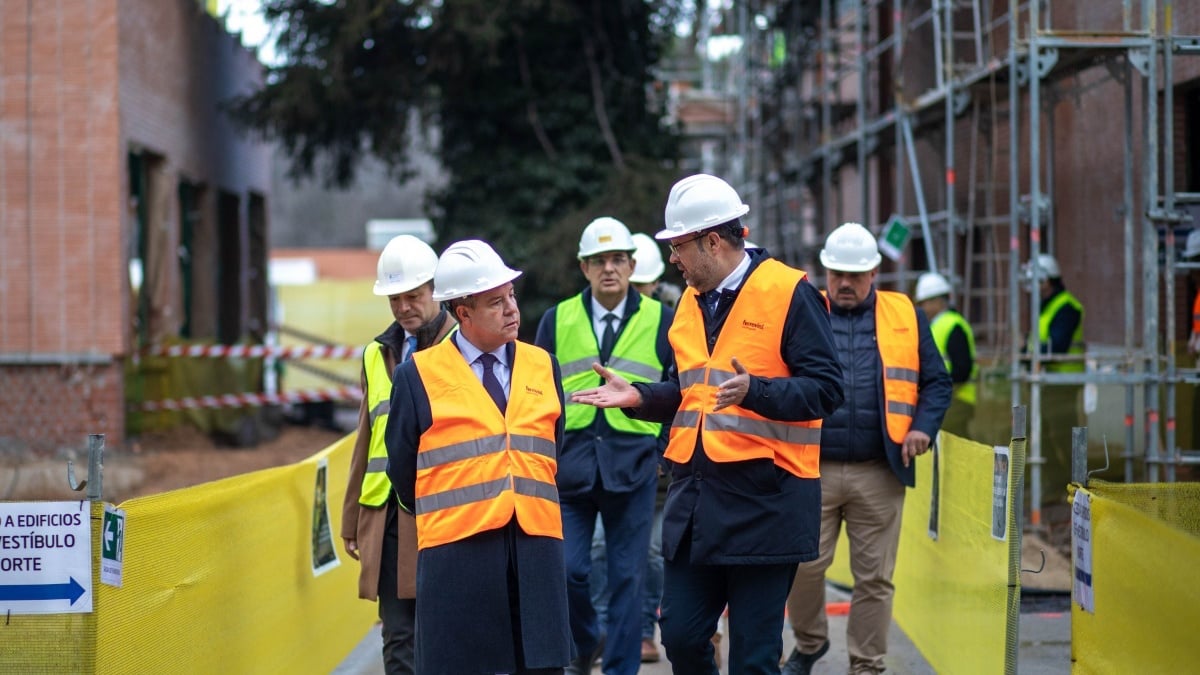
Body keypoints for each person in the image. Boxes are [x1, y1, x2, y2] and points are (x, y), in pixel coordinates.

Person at [570, 173, 844, 675]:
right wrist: (641, 396)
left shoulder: (789, 292)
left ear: (712, 242)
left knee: (754, 657)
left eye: (678, 246)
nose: (672, 258)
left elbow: (827, 390)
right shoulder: (689, 302)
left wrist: (757, 391)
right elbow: (689, 392)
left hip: (767, 503)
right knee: (680, 635)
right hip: (698, 501)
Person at [384, 240, 571, 675]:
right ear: (463, 313)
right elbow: (403, 471)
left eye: (511, 296)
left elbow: (551, 450)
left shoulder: (544, 366)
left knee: (539, 666)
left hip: (535, 552)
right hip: (458, 558)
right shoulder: (417, 376)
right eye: (495, 302)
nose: (511, 310)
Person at [783, 222, 951, 675]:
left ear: (874, 272)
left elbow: (936, 382)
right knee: (802, 566)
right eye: (836, 273)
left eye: (854, 275)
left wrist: (923, 428)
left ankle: (866, 664)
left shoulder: (905, 314)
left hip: (879, 470)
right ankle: (810, 643)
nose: (844, 283)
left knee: (874, 577)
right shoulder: (804, 311)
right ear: (825, 271)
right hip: (810, 469)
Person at [535, 217, 674, 675]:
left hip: (633, 467)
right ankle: (587, 639)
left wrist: (661, 452)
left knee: (627, 579)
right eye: (599, 260)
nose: (608, 268)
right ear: (584, 267)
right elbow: (535, 393)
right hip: (571, 467)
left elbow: (680, 390)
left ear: (632, 265)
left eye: (617, 259)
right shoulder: (557, 319)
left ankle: (619, 669)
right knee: (568, 571)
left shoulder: (662, 320)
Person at [342, 234, 456, 675]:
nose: (404, 307)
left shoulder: (462, 347)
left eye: (413, 295)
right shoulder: (376, 354)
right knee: (398, 634)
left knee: (446, 630)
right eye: (395, 298)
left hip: (446, 508)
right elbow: (365, 439)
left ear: (435, 290)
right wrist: (352, 518)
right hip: (389, 513)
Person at [1021, 252, 1084, 499]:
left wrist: (1029, 354)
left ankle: (1078, 483)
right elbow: (1036, 343)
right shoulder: (1044, 306)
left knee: (1063, 433)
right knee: (1041, 430)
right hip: (1046, 380)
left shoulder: (1067, 307)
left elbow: (1057, 346)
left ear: (1047, 280)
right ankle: (1058, 480)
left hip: (1064, 380)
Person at [913, 271, 977, 438]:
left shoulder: (952, 325)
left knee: (955, 446)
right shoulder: (936, 325)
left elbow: (962, 369)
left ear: (937, 301)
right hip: (947, 399)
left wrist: (940, 389)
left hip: (957, 400)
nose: (921, 308)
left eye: (924, 303)